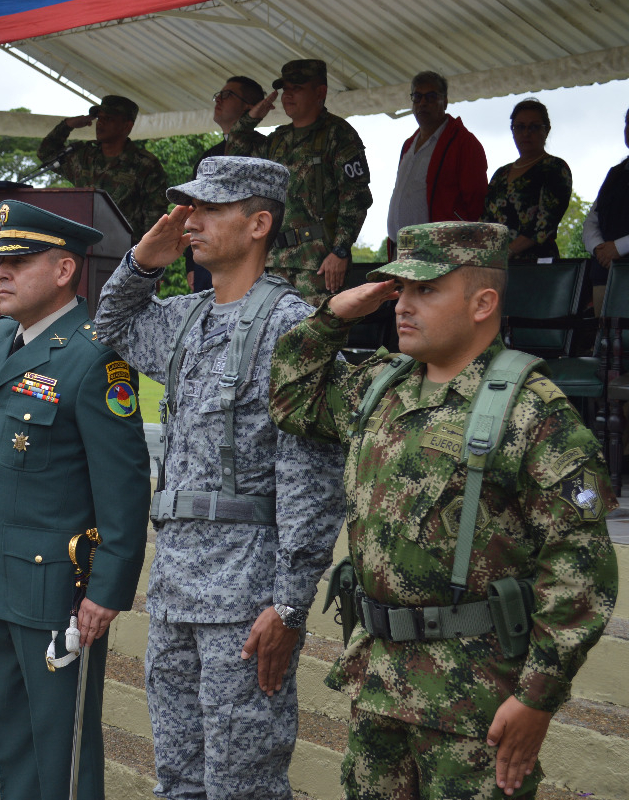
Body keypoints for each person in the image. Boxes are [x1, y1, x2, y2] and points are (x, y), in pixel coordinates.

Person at [268, 221, 619, 799]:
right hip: (378, 683)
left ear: (484, 303)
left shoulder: (535, 412)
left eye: (424, 290)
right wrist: (333, 315)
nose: (402, 305)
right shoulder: (382, 386)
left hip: (474, 703)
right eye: (398, 289)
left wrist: (537, 697)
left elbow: (580, 569)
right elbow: (291, 394)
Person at [94, 156, 345, 798]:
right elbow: (110, 328)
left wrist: (288, 604)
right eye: (189, 208)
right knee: (177, 779)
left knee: (243, 782)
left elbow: (310, 481)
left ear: (258, 222)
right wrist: (142, 264)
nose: (190, 220)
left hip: (245, 595)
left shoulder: (292, 327)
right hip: (176, 585)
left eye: (209, 209)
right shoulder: (185, 317)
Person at [0, 200, 151, 800]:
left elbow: (124, 491)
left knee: (61, 746)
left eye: (16, 260)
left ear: (64, 270)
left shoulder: (95, 359)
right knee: (13, 734)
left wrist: (105, 593)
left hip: (55, 587)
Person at [229, 59, 373, 306]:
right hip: (275, 260)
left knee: (316, 334)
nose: (288, 95)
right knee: (271, 335)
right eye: (285, 89)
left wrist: (340, 251)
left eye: (297, 88)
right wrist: (254, 116)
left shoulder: (338, 135)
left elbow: (355, 198)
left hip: (318, 263)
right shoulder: (278, 139)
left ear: (320, 92)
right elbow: (236, 148)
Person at [38, 95, 170, 242]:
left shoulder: (144, 165)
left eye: (109, 119)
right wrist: (68, 125)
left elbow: (155, 217)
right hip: (84, 247)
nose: (100, 124)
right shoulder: (83, 157)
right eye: (100, 118)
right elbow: (46, 154)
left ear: (127, 126)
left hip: (125, 253)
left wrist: (145, 257)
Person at [385, 71, 489, 259]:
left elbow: (476, 205)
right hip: (401, 250)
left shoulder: (464, 143)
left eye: (431, 97)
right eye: (417, 97)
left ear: (445, 101)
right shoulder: (408, 144)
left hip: (439, 253)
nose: (423, 103)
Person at [187, 77, 265, 293]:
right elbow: (193, 209)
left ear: (250, 107)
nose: (218, 100)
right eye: (217, 95)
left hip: (245, 258)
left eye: (227, 95)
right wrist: (190, 264)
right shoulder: (209, 156)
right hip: (206, 259)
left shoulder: (264, 151)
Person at [481, 99, 572, 263]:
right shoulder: (501, 174)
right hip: (497, 265)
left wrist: (508, 252)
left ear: (547, 130)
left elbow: (545, 225)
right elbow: (485, 220)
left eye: (534, 127)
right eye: (520, 127)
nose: (526, 133)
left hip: (536, 264)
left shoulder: (554, 168)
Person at [582, 107, 629, 291]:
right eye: (627, 123)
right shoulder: (615, 173)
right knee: (602, 321)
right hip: (605, 273)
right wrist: (600, 249)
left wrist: (618, 247)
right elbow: (591, 222)